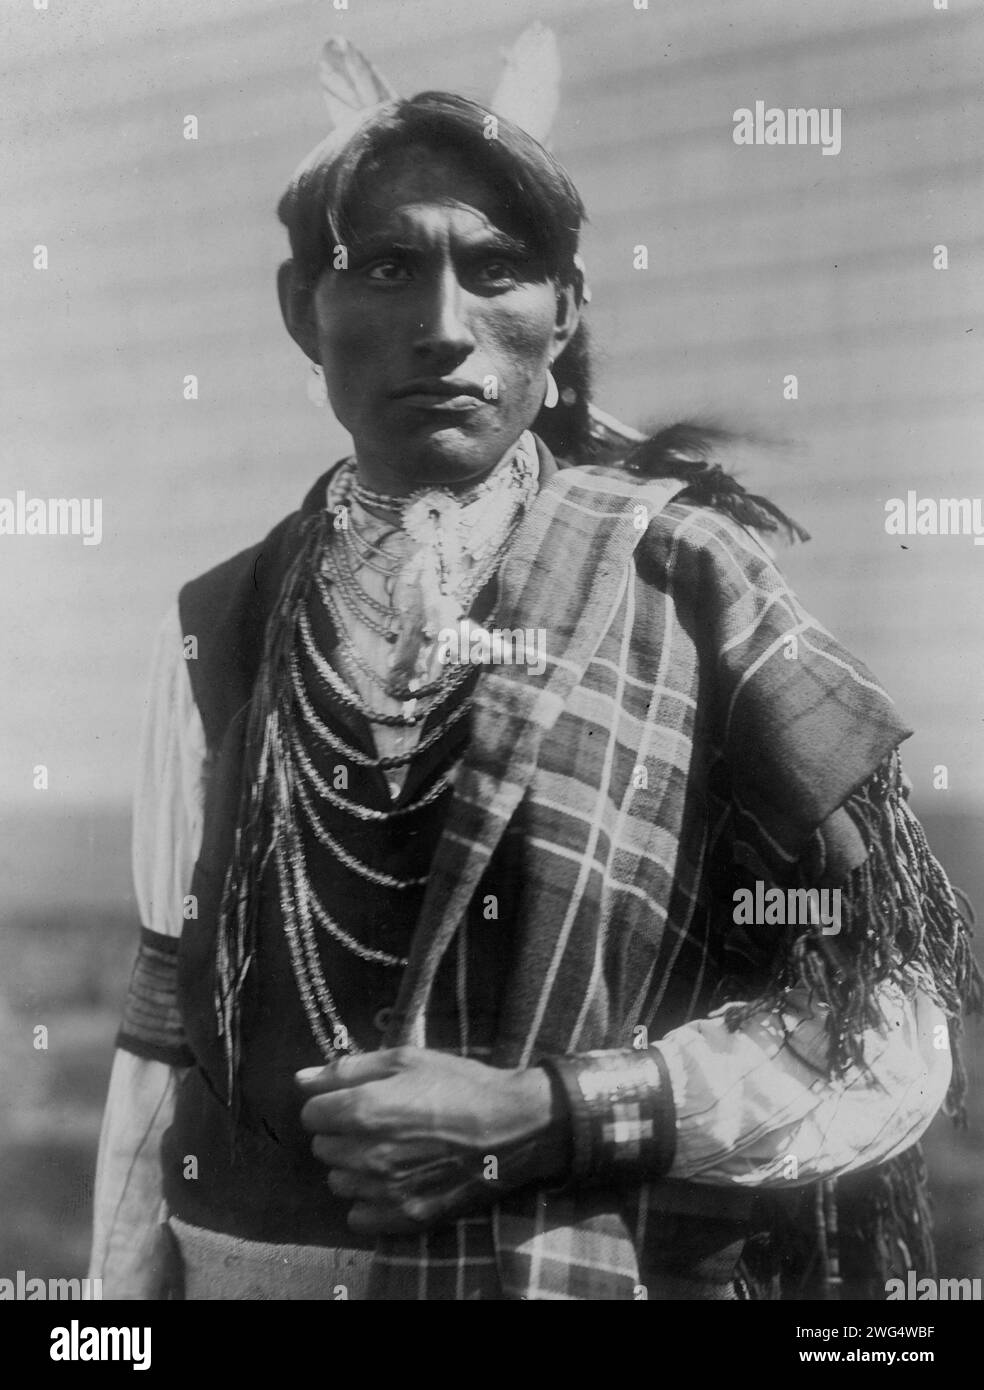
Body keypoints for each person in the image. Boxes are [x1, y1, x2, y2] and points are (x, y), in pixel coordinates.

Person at [89, 78, 980, 1301]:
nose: (445, 326)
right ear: (305, 308)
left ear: (564, 312)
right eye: (387, 269)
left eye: (498, 270)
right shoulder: (218, 622)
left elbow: (890, 1030)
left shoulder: (686, 581)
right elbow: (158, 1043)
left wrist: (552, 1112)